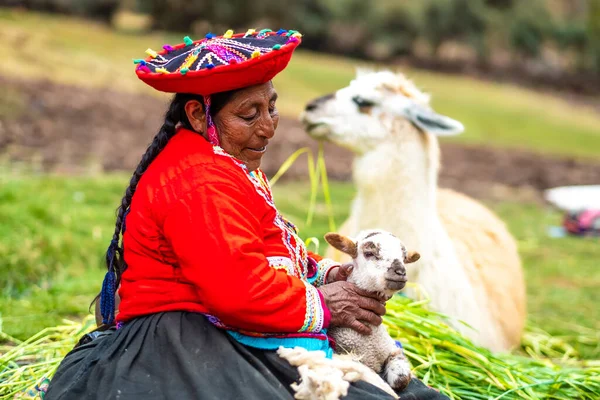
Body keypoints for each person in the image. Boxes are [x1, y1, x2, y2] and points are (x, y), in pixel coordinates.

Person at [45, 29, 449, 400]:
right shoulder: (199, 182)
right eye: (248, 114)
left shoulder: (225, 162)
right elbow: (240, 289)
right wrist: (326, 303)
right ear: (199, 115)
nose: (269, 126)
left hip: (220, 321)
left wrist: (327, 274)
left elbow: (262, 245)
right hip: (182, 340)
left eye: (271, 107)